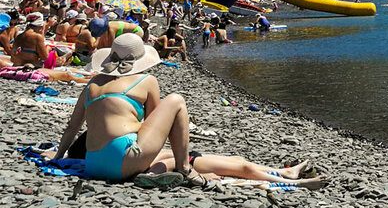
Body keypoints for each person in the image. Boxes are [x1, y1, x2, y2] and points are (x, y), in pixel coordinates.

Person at [46, 35, 326, 186]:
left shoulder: (92, 85)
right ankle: (184, 169)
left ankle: (279, 173)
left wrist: (58, 157)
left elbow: (72, 128)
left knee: (201, 157)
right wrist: (181, 157)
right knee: (177, 101)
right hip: (124, 159)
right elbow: (157, 126)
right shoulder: (146, 81)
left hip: (95, 164)